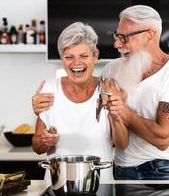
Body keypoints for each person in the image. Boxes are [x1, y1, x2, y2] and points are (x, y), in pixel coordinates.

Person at [102, 5, 169, 180]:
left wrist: (122, 110)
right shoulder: (110, 71)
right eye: (116, 35)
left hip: (163, 171)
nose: (117, 44)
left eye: (124, 37)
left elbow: (162, 139)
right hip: (121, 170)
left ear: (150, 34)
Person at [31, 22, 128, 183]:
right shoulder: (49, 89)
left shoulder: (108, 89)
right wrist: (45, 140)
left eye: (84, 56)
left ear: (95, 56)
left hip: (100, 186)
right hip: (57, 186)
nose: (76, 63)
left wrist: (116, 115)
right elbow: (37, 147)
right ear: (62, 59)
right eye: (69, 57)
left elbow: (123, 144)